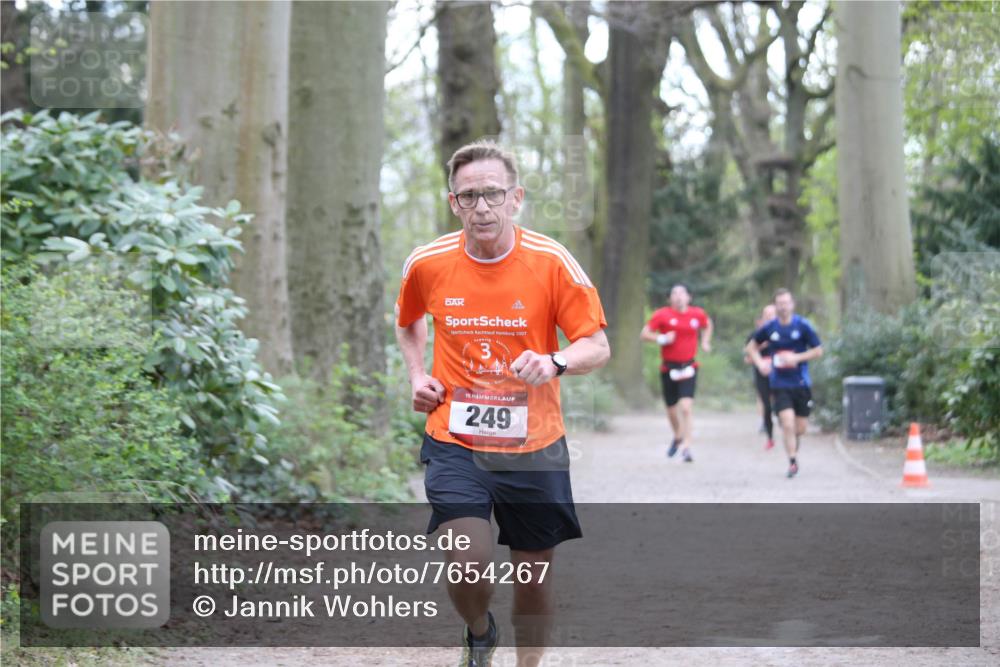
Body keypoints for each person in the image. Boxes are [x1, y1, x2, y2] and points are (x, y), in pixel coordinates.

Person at [394, 140, 610, 667]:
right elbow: (408, 320)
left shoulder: (551, 261)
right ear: (454, 203)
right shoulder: (427, 262)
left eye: (493, 193)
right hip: (455, 439)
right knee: (467, 563)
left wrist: (556, 361)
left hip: (534, 444)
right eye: (469, 196)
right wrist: (418, 375)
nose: (482, 207)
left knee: (532, 579)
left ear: (516, 198)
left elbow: (597, 345)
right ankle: (479, 630)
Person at [745, 289, 823, 478]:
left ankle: (793, 442)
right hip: (779, 383)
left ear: (792, 305)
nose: (783, 307)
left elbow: (818, 351)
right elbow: (751, 347)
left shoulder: (802, 326)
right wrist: (760, 363)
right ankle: (792, 461)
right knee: (787, 424)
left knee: (800, 428)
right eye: (779, 304)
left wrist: (796, 358)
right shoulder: (770, 327)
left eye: (786, 303)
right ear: (776, 306)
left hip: (801, 383)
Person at [639, 284, 713, 462]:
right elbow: (644, 334)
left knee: (686, 408)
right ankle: (678, 436)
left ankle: (686, 447)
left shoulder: (697, 314)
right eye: (674, 293)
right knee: (671, 410)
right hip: (668, 368)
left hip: (689, 367)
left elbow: (708, 324)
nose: (679, 296)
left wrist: (705, 341)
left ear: (689, 297)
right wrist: (662, 338)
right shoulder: (662, 315)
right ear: (669, 298)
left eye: (682, 293)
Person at [746, 304, 777, 450]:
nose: (769, 317)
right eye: (767, 315)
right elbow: (748, 355)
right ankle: (769, 434)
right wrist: (761, 348)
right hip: (762, 371)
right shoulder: (757, 334)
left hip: (781, 372)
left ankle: (783, 418)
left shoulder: (784, 330)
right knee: (764, 401)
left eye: (772, 314)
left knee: (779, 398)